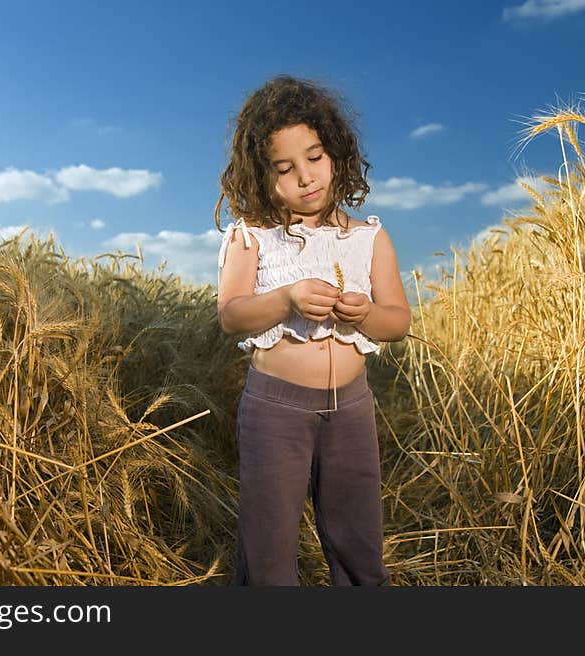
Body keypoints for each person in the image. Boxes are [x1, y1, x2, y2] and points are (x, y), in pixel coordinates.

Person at [214, 75, 411, 586]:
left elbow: (398, 321)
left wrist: (363, 314)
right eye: (285, 168)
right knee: (270, 550)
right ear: (263, 177)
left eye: (315, 157)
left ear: (337, 154)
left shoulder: (369, 237)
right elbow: (231, 314)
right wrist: (286, 299)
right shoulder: (252, 235)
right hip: (275, 409)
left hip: (351, 408)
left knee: (358, 543)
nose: (306, 177)